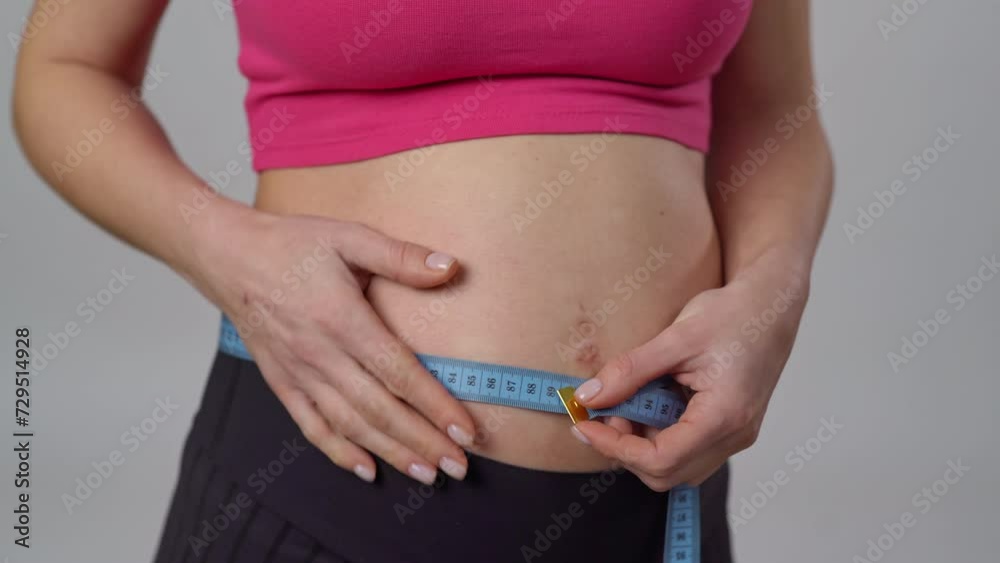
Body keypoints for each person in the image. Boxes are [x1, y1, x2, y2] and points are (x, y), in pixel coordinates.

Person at [12, 0, 832, 561]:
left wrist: (773, 297)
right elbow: (64, 67)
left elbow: (776, 116)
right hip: (334, 468)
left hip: (650, 511)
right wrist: (228, 253)